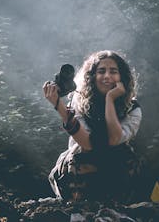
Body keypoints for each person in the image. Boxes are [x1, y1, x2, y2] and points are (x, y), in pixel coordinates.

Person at [43, 50, 142, 201]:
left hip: (116, 166)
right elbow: (87, 144)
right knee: (81, 156)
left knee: (128, 157)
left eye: (113, 71)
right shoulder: (80, 102)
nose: (107, 76)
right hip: (81, 165)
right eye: (101, 71)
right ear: (92, 77)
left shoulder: (132, 108)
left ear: (122, 77)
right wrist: (59, 106)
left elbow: (115, 139)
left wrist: (110, 99)